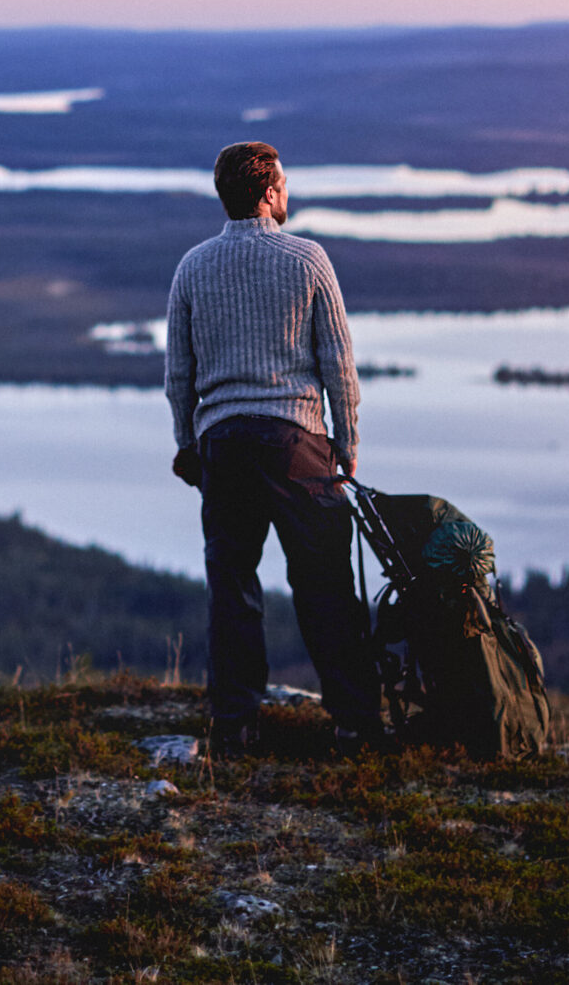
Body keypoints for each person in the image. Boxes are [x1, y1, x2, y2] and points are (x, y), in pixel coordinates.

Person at [165, 140, 381, 753]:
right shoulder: (307, 259)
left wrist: (189, 444)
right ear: (267, 193)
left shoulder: (192, 267)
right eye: (283, 182)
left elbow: (179, 373)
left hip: (224, 443)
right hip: (296, 444)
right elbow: (340, 364)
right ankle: (355, 723)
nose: (287, 191)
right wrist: (347, 442)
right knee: (325, 584)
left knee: (231, 583)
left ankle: (234, 724)